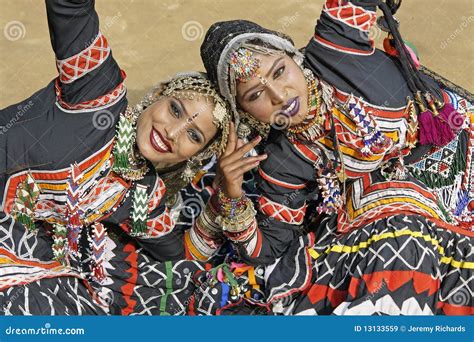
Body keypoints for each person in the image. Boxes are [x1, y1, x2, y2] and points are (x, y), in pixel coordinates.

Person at [199, 0, 474, 314]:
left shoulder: (335, 47)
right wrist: (230, 195)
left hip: (457, 144)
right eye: (255, 95)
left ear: (294, 57)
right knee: (396, 237)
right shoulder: (282, 161)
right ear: (244, 113)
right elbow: (265, 248)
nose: (279, 95)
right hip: (392, 198)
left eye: (279, 71)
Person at [0, 0, 252, 315]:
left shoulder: (143, 196)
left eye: (194, 136)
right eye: (175, 110)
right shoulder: (96, 94)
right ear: (157, 96)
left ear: (197, 156)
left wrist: (227, 193)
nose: (173, 132)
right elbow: (70, 11)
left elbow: (181, 258)